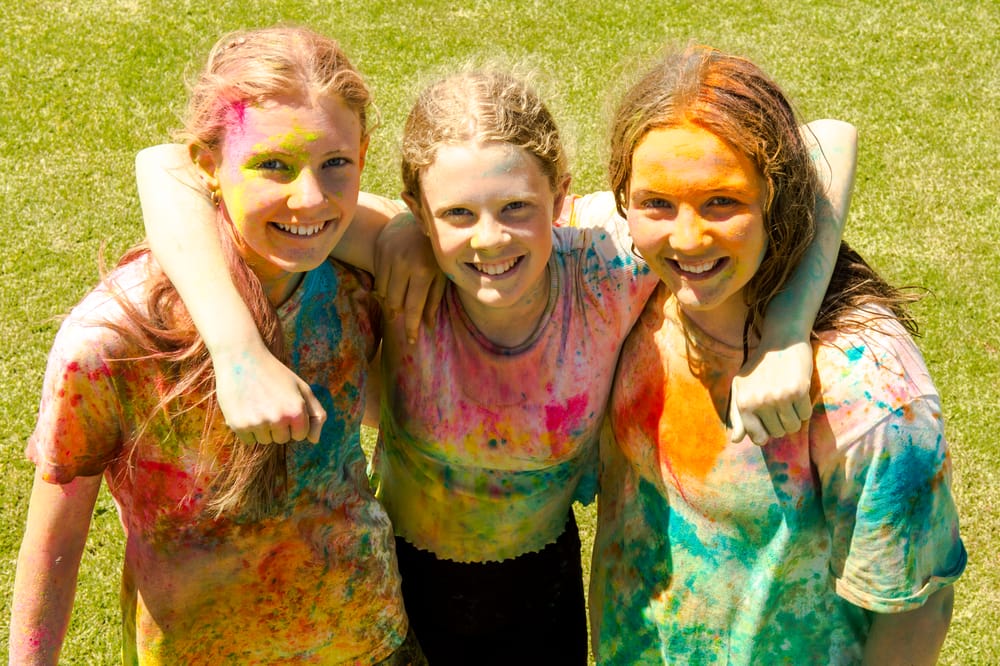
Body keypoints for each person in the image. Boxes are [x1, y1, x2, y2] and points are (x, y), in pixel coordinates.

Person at [133, 66, 856, 663]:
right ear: (418, 207)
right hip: (401, 589)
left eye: (515, 208)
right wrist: (236, 349)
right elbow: (167, 167)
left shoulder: (605, 264)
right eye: (457, 214)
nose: (489, 239)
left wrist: (787, 331)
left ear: (560, 196)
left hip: (543, 590)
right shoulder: (397, 255)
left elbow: (828, 141)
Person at [7, 26, 424, 664]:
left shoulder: (357, 283)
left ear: (363, 155)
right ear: (206, 165)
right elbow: (54, 540)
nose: (310, 198)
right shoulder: (112, 339)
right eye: (273, 165)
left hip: (370, 641)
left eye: (335, 163)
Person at [589, 45, 966, 664]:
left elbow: (916, 612)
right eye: (657, 203)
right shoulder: (631, 271)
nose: (688, 238)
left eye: (723, 202)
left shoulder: (867, 391)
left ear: (779, 197)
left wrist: (788, 332)